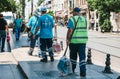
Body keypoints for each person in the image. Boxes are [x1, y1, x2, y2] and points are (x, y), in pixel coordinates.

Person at [66, 7, 88, 77]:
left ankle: (72, 69)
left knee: (73, 57)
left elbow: (70, 30)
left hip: (74, 41)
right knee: (82, 57)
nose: (73, 13)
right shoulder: (85, 19)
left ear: (75, 12)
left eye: (73, 12)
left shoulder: (72, 19)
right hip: (83, 41)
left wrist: (67, 39)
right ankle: (83, 72)